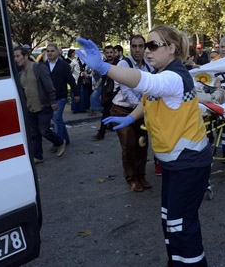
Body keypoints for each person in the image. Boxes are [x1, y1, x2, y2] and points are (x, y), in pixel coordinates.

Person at [76, 25, 212, 267]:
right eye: (145, 46)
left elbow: (146, 84)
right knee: (170, 220)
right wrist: (130, 118)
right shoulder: (164, 74)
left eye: (152, 45)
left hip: (188, 164)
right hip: (175, 164)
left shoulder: (174, 76)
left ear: (171, 49)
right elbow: (149, 99)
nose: (147, 51)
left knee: (181, 225)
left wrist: (105, 67)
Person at [110, 35, 154, 192]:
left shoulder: (148, 66)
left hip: (140, 110)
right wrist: (143, 105)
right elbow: (127, 92)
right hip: (122, 110)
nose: (137, 50)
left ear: (144, 47)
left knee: (142, 144)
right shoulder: (124, 64)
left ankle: (141, 175)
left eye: (140, 46)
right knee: (129, 146)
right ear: (130, 47)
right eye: (134, 46)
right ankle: (132, 178)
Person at [14, 46, 66, 164]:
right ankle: (38, 156)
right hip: (30, 107)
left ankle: (59, 141)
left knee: (44, 130)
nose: (16, 59)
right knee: (34, 133)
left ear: (26, 56)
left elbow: (49, 85)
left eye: (18, 56)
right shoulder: (20, 73)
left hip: (43, 106)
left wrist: (53, 101)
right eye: (14, 57)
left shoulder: (38, 68)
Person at [44, 43, 79, 146]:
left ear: (57, 52)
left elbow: (71, 80)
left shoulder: (63, 65)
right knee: (58, 119)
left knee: (56, 118)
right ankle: (65, 139)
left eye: (52, 51)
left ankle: (58, 142)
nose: (50, 53)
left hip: (61, 96)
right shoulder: (43, 65)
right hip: (50, 98)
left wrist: (76, 93)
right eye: (48, 51)